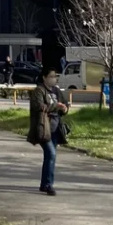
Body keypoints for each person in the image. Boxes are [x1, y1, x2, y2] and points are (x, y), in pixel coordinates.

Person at [27, 68, 68, 196]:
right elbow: (39, 106)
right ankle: (49, 184)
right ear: (44, 77)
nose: (54, 79)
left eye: (55, 76)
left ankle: (44, 184)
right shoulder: (39, 91)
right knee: (51, 153)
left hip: (56, 128)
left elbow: (64, 104)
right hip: (43, 128)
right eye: (51, 76)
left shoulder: (56, 91)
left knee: (50, 156)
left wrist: (65, 109)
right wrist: (56, 106)